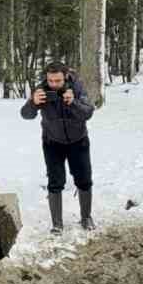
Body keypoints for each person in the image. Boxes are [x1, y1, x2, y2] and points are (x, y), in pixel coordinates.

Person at [20, 62, 96, 233]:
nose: (54, 84)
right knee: (55, 181)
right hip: (52, 142)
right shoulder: (41, 89)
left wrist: (73, 102)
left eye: (58, 81)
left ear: (66, 76)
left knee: (84, 180)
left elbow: (88, 112)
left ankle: (86, 217)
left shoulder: (77, 87)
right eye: (51, 80)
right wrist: (33, 102)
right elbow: (25, 114)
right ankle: (57, 223)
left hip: (78, 140)